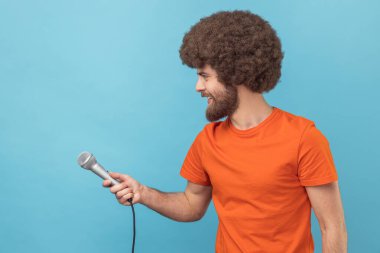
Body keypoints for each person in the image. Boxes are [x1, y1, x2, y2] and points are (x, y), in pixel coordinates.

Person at [103, 10, 347, 253]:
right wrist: (143, 193)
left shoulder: (303, 138)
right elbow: (191, 205)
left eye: (205, 77)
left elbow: (332, 227)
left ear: (235, 72)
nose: (198, 87)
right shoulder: (207, 140)